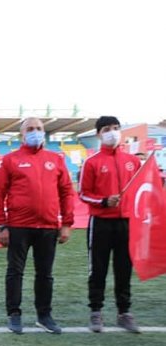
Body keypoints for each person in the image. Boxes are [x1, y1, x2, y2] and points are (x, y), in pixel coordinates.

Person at [0, 117, 75, 335]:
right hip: (18, 226)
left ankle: (44, 315)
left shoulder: (55, 159)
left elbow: (66, 191)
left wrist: (66, 223)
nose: (35, 132)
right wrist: (0, 225)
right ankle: (14, 314)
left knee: (45, 274)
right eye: (30, 129)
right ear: (22, 134)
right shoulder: (10, 160)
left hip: (48, 226)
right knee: (15, 271)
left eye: (39, 128)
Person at [79, 116, 141, 333]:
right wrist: (104, 202)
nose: (112, 132)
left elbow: (140, 192)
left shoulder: (133, 162)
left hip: (126, 223)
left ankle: (124, 312)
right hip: (101, 223)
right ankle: (96, 312)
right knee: (98, 268)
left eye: (116, 128)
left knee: (124, 268)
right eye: (107, 129)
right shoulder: (92, 162)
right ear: (99, 134)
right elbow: (83, 194)